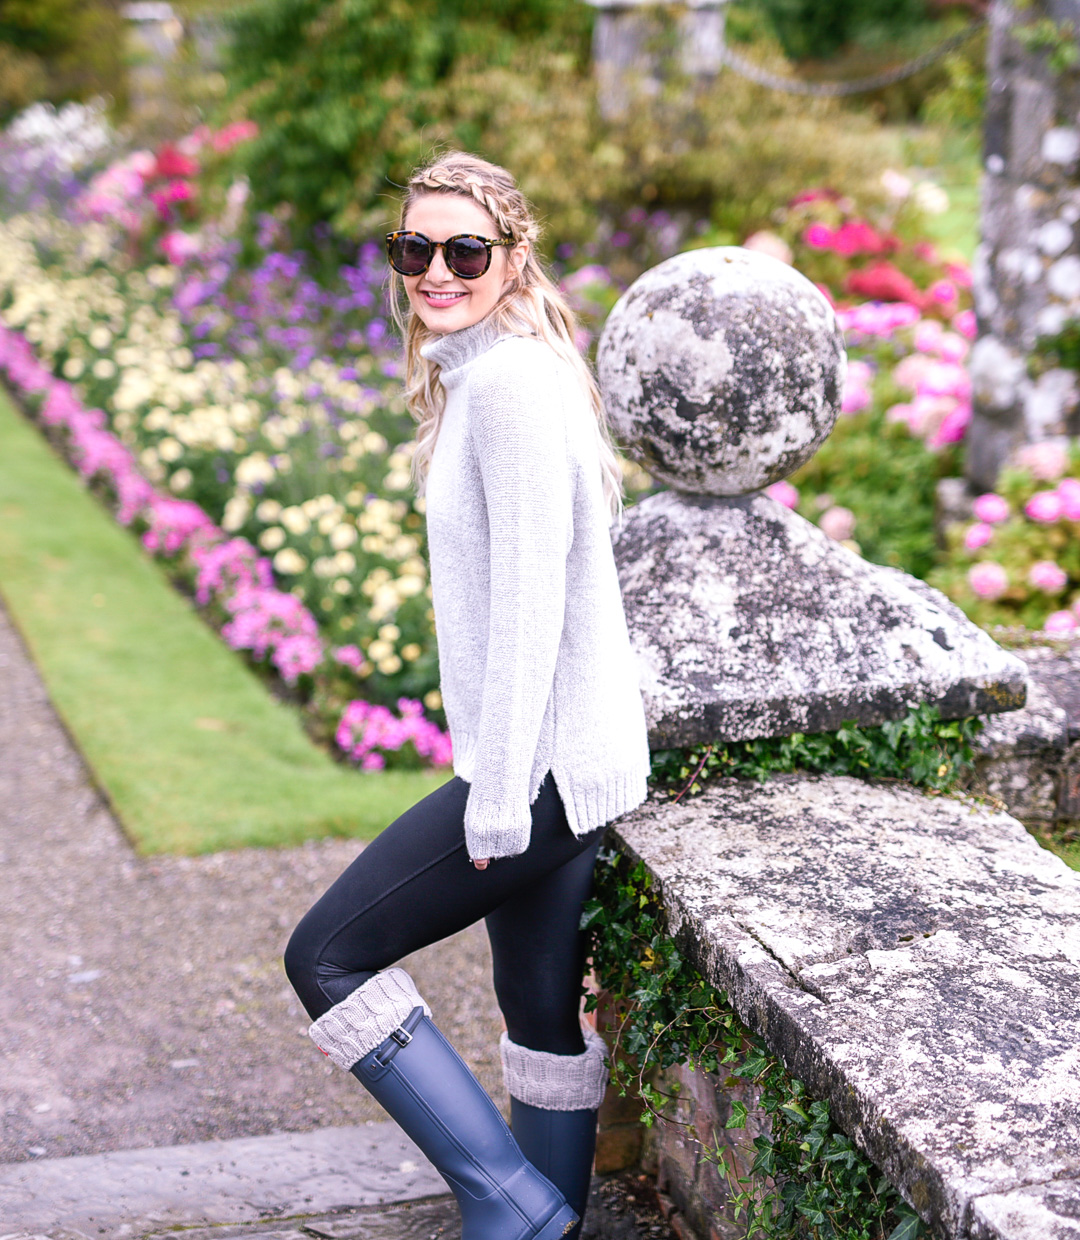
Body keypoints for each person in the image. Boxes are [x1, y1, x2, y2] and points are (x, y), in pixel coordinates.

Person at [284, 150, 651, 1240]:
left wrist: (495, 796)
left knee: (326, 956)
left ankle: (507, 1199)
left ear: (510, 255)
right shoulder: (495, 371)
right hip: (569, 761)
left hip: (533, 771)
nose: (434, 271)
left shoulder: (511, 392)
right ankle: (550, 1222)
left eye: (463, 251)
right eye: (414, 250)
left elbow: (535, 602)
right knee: (538, 1010)